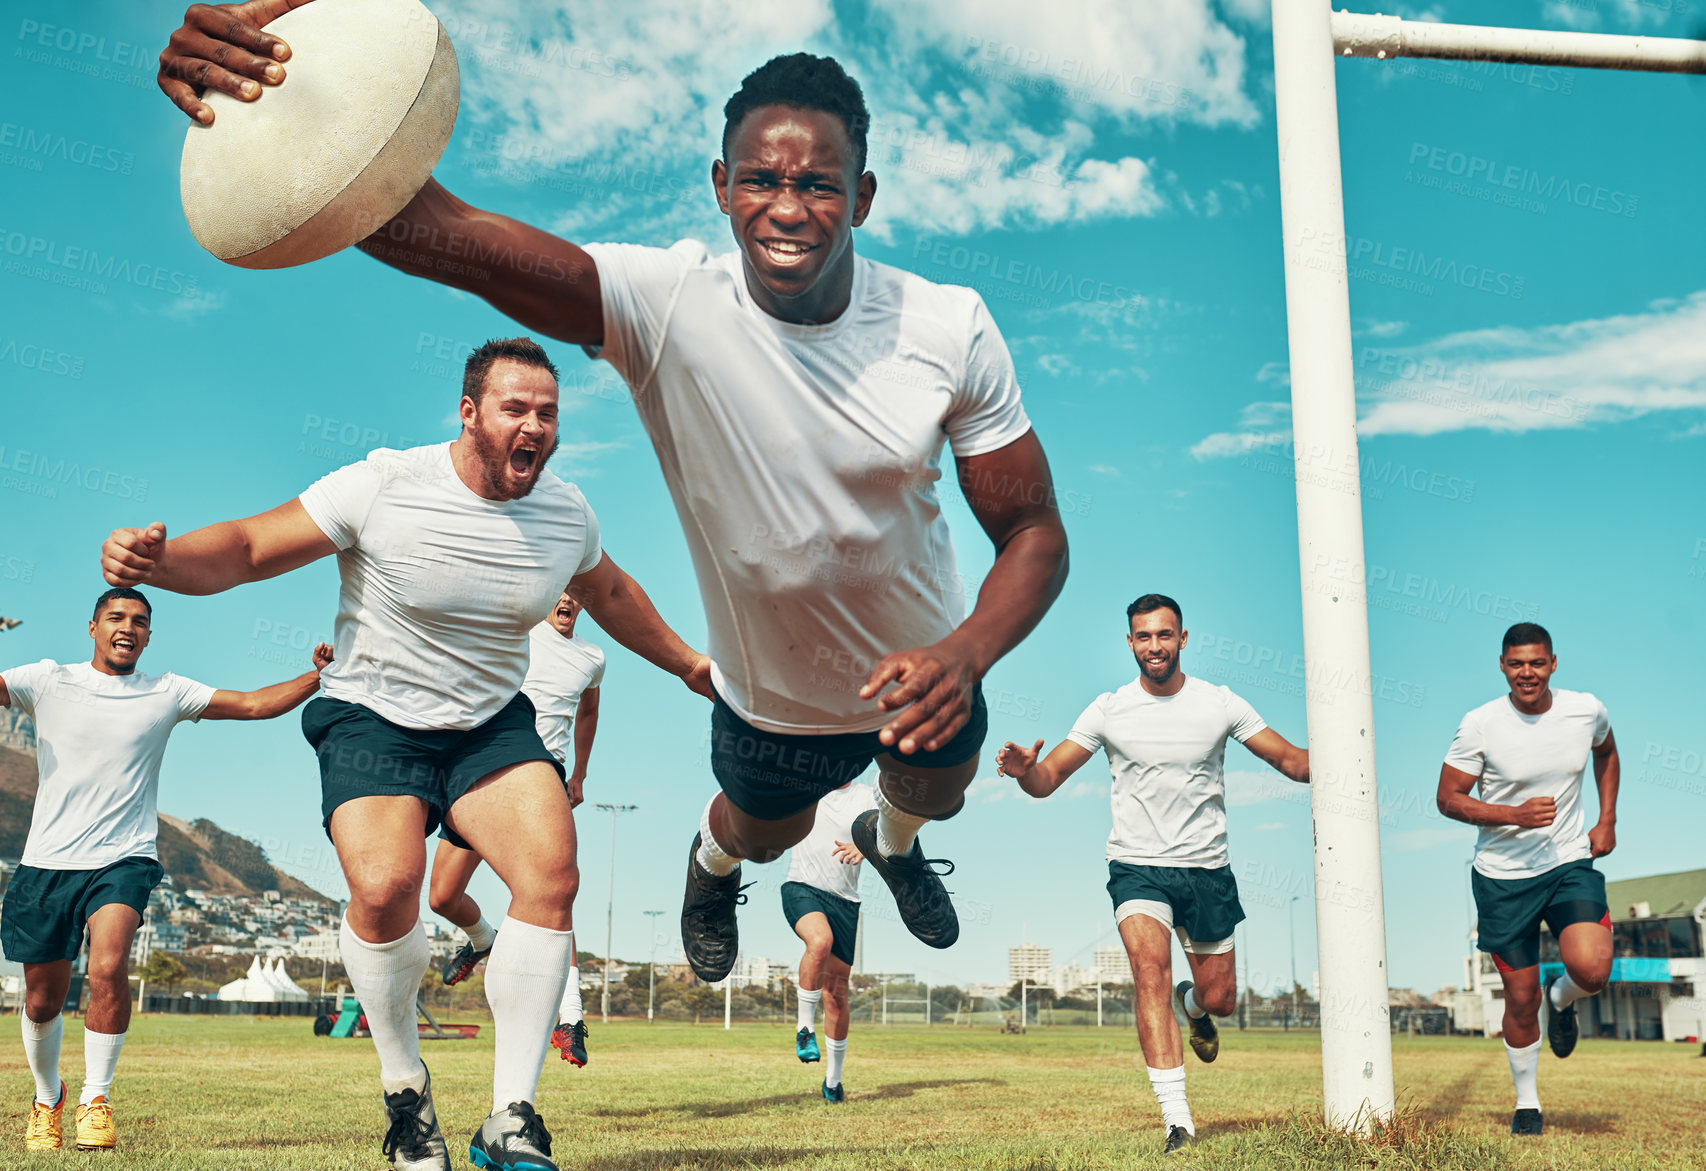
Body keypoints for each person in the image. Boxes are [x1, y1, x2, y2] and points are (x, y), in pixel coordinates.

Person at [155, 24, 1070, 982]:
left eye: (819, 185)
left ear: (864, 199)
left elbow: (1033, 530)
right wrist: (281, 76)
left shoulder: (947, 325)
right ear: (722, 187)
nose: (787, 208)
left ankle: (897, 840)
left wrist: (964, 654)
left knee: (935, 791)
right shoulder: (663, 303)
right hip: (773, 704)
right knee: (765, 838)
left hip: (927, 674)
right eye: (761, 180)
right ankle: (709, 862)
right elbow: (424, 229)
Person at [100, 338, 708, 1171]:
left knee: (551, 874)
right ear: (469, 414)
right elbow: (248, 546)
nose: (536, 426)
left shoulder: (566, 512)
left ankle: (511, 1114)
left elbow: (614, 594)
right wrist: (159, 564)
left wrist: (690, 665)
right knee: (387, 889)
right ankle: (404, 1091)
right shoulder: (384, 482)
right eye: (515, 409)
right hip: (372, 716)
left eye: (549, 413)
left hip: (490, 723)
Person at [0, 587, 329, 1152]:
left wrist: (317, 674)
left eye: (140, 621)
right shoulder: (48, 678)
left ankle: (95, 1101)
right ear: (92, 626)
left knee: (107, 966)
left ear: (150, 634)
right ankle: (46, 1097)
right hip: (47, 864)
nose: (128, 627)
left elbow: (253, 704)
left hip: (124, 859)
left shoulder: (166, 690)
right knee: (40, 1000)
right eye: (116, 617)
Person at [995, 594, 1309, 1155]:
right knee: (1148, 974)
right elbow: (1047, 780)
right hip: (1137, 867)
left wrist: (1353, 746)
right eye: (1144, 637)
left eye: (1165, 635)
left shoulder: (1220, 703)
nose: (1155, 646)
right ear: (1130, 643)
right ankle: (1178, 1121)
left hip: (1207, 870)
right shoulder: (1108, 709)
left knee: (1221, 999)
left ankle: (1196, 1008)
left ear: (1183, 639)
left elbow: (1292, 762)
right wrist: (1024, 772)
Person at [1436, 621, 1617, 1137]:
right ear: (1502, 666)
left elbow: (1607, 752)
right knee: (1519, 999)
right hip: (1502, 877)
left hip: (1567, 863)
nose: (1527, 673)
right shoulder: (1480, 724)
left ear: (1553, 663)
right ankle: (1527, 1103)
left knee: (1593, 970)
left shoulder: (1586, 710)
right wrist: (1511, 815)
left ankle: (1561, 999)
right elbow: (1448, 799)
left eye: (1537, 663)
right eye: (1517, 664)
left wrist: (1607, 819)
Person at [430, 590, 605, 1072]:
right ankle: (484, 940)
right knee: (442, 897)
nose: (567, 598)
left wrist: (580, 774)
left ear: (585, 602)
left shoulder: (593, 659)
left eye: (577, 592)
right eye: (560, 590)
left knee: (548, 892)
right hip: (484, 769)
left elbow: (588, 712)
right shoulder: (518, 630)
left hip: (541, 776)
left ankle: (570, 1018)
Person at [781, 779, 879, 1103]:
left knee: (836, 995)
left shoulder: (868, 795)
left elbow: (894, 832)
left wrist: (866, 846)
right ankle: (804, 1029)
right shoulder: (806, 784)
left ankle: (833, 1083)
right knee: (819, 941)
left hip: (845, 902)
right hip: (801, 888)